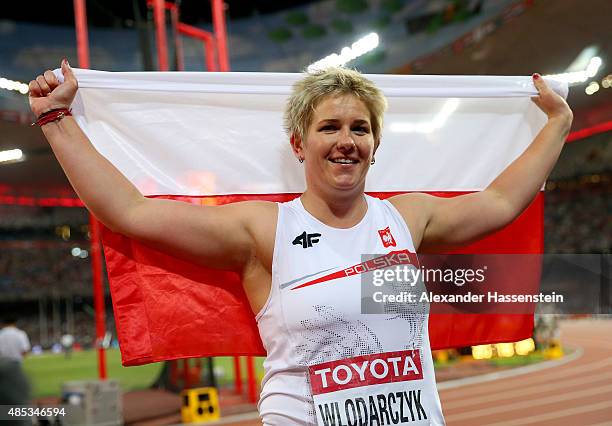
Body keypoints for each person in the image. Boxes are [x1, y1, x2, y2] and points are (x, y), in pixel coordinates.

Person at [29, 60, 572, 425]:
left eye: (359, 129)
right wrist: (56, 119)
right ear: (298, 143)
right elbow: (129, 211)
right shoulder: (264, 230)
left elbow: (502, 202)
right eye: (329, 127)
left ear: (375, 146)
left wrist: (558, 122)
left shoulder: (409, 217)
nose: (346, 141)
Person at [0, 318, 31, 413]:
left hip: (2, 365)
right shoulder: (20, 334)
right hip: (15, 365)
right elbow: (25, 351)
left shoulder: (1, 334)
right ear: (14, 323)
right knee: (17, 393)